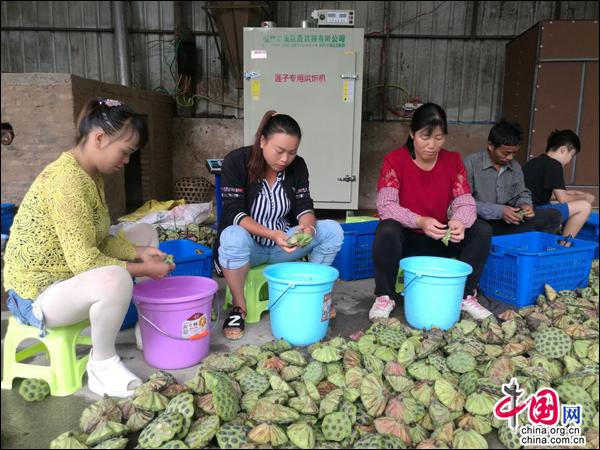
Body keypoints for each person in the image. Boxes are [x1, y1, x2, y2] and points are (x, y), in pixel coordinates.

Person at [2, 98, 174, 398]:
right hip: (36, 295)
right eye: (125, 151)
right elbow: (85, 261)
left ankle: (145, 322)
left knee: (145, 232)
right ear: (100, 138)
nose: (126, 161)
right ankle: (102, 365)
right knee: (115, 277)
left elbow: (98, 239)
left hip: (67, 278)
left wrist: (138, 252)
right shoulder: (66, 181)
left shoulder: (89, 175)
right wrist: (142, 268)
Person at [215, 110, 344, 339]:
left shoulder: (298, 166)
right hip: (251, 249)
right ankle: (239, 307)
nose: (285, 159)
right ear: (262, 141)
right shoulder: (236, 162)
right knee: (232, 235)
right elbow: (234, 212)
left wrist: (308, 228)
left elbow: (304, 205)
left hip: (285, 245)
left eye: (292, 152)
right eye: (279, 151)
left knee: (332, 231)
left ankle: (311, 293)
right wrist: (272, 234)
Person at [371, 103, 493, 322]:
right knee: (387, 229)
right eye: (425, 137)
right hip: (408, 241)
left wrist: (459, 221)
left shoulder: (453, 160)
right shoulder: (395, 160)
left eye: (439, 138)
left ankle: (466, 295)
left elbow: (465, 201)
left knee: (481, 230)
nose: (432, 145)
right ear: (412, 133)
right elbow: (386, 205)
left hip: (441, 237)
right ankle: (385, 296)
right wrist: (419, 221)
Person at [464, 119, 562, 236]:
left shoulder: (515, 167)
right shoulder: (471, 163)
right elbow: (464, 202)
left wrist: (525, 205)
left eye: (514, 153)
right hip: (480, 221)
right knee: (483, 229)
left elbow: (521, 193)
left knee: (553, 216)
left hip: (505, 221)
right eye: (506, 153)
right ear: (490, 146)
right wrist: (499, 211)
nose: (510, 157)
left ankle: (518, 242)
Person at [523, 129, 594, 240]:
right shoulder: (554, 165)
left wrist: (573, 193)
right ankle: (564, 245)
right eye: (571, 155)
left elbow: (538, 194)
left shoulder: (534, 162)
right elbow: (563, 199)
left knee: (556, 203)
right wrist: (584, 197)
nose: (569, 161)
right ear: (563, 150)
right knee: (585, 206)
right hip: (535, 215)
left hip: (524, 212)